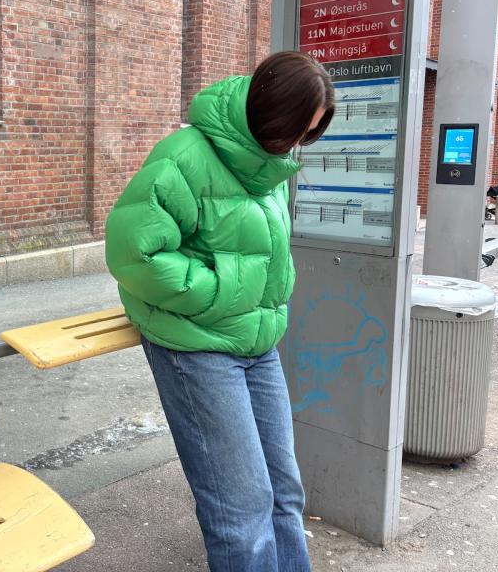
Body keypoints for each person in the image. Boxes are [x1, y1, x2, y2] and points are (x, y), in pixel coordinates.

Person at [104, 51, 335, 571]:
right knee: (242, 510)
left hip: (257, 342)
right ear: (269, 113)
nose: (298, 144)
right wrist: (218, 292)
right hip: (198, 348)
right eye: (296, 130)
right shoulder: (184, 156)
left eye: (309, 134)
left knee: (284, 493)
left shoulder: (266, 165)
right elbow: (132, 253)